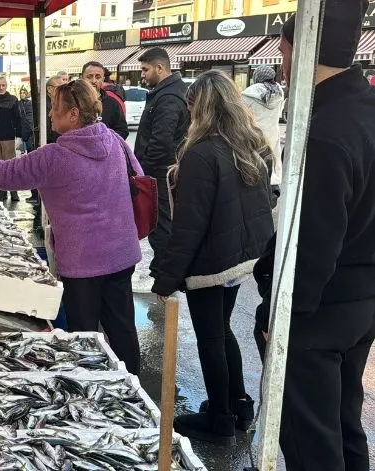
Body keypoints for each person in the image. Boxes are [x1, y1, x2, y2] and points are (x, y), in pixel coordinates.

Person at [0, 80, 143, 374]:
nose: (50, 115)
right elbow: (139, 178)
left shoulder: (55, 156)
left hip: (84, 264)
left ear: (73, 115)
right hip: (121, 255)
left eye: (55, 108)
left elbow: (1, 174)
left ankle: (96, 390)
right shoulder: (116, 141)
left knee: (85, 337)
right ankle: (131, 384)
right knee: (122, 330)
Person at [254, 5, 375, 469]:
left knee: (312, 444)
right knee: (343, 428)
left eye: (283, 52)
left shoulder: (327, 130)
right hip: (357, 302)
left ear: (296, 51)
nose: (282, 65)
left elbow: (314, 243)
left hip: (318, 312)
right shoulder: (360, 109)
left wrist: (276, 314)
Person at [151, 70, 274, 445]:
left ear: (200, 106)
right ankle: (237, 403)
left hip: (213, 260)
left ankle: (220, 418)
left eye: (191, 105)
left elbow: (188, 226)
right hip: (241, 256)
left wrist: (166, 278)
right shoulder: (250, 144)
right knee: (222, 330)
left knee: (210, 337)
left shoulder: (202, 153)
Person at [134, 47, 190, 280]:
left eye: (146, 70)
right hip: (161, 171)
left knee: (161, 223)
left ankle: (164, 273)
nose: (143, 75)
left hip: (160, 173)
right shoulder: (166, 92)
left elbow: (162, 142)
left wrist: (144, 170)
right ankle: (162, 269)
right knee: (161, 222)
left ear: (160, 68)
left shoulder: (168, 97)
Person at [241, 66, 284, 201]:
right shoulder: (279, 93)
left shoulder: (247, 94)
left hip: (253, 139)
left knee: (253, 171)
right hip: (272, 137)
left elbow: (242, 118)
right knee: (271, 172)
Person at [0, 76, 23, 202]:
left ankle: (13, 192)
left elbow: (18, 118)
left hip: (8, 136)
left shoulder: (13, 100)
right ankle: (1, 191)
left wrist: (19, 135)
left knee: (10, 165)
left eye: (3, 85)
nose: (1, 88)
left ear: (6, 86)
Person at [82, 61, 129, 139]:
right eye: (89, 76)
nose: (93, 81)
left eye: (98, 77)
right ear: (82, 78)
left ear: (103, 79)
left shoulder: (113, 103)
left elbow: (123, 131)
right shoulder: (72, 101)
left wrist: (105, 140)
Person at [17, 88, 35, 153]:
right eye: (21, 93)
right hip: (20, 128)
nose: (22, 94)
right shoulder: (18, 103)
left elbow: (30, 117)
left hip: (28, 128)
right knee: (22, 149)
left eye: (24, 93)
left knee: (29, 147)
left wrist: (29, 127)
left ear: (26, 94)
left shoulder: (29, 103)